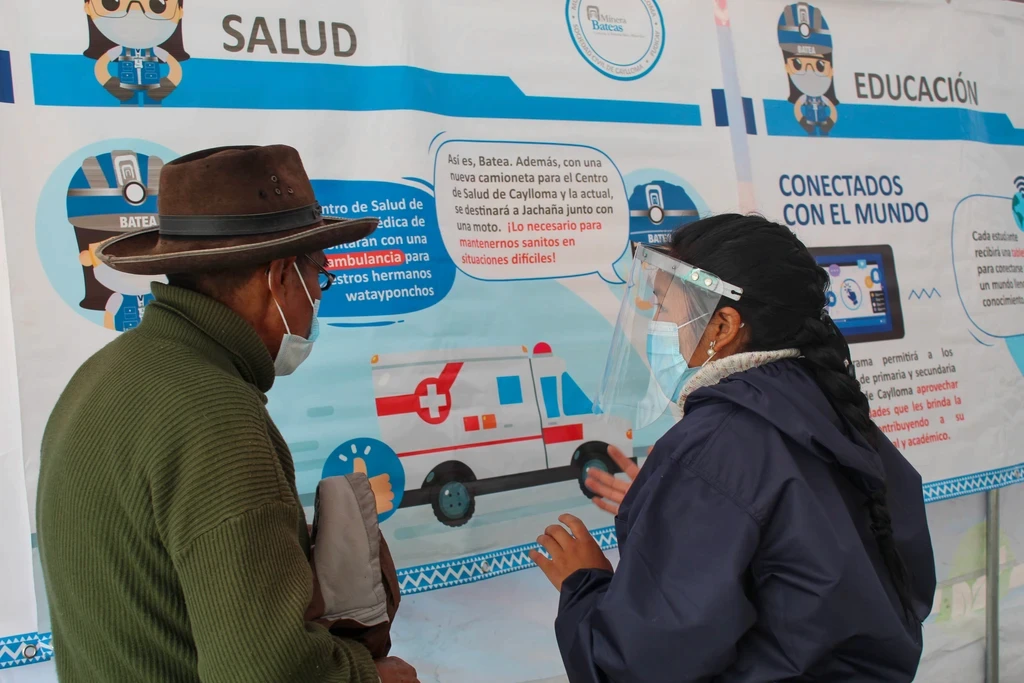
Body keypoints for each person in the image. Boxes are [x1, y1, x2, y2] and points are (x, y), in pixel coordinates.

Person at [37, 145, 419, 683]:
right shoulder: (215, 416)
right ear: (281, 276)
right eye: (320, 279)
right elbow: (265, 670)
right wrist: (370, 676)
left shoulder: (104, 376)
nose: (316, 300)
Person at [530, 214, 937, 682]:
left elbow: (638, 665)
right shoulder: (821, 403)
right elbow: (885, 575)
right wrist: (680, 506)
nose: (655, 325)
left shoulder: (717, 442)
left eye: (663, 307)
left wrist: (582, 584)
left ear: (723, 325)